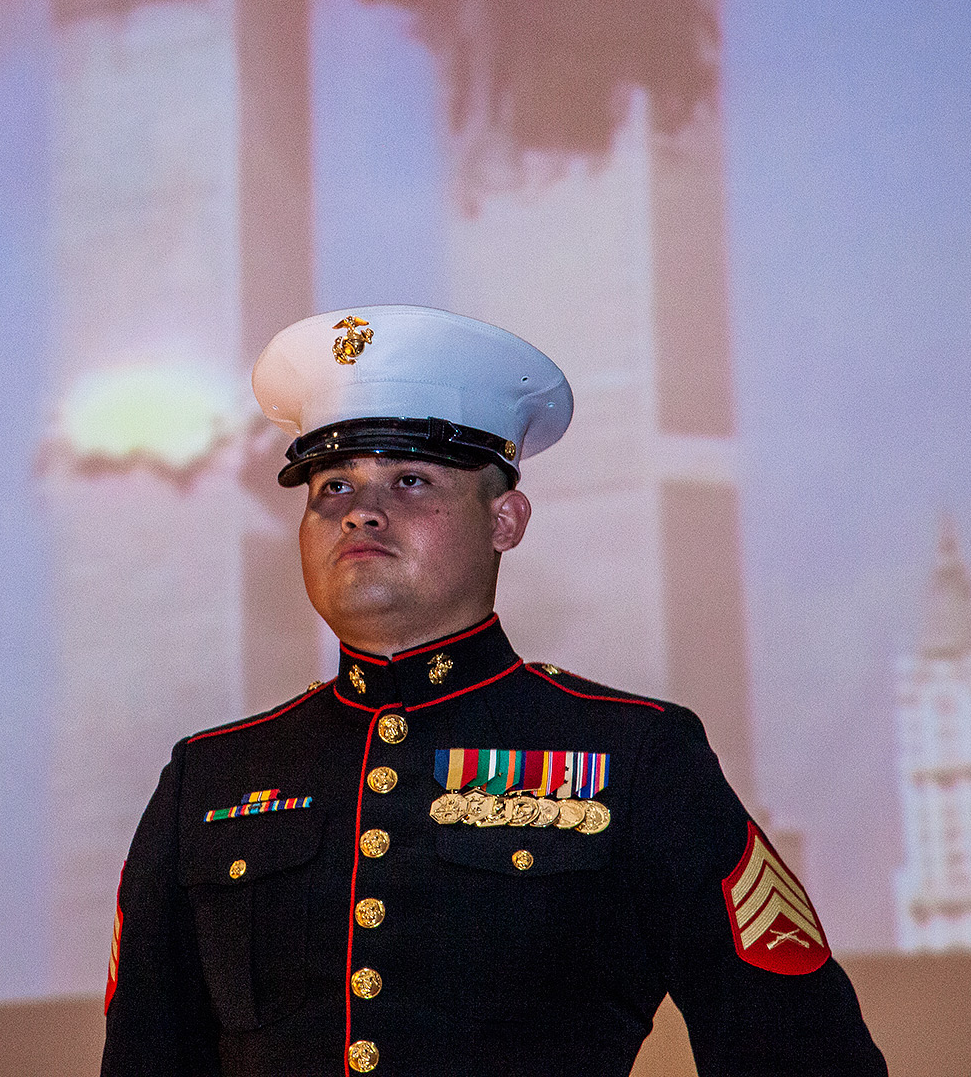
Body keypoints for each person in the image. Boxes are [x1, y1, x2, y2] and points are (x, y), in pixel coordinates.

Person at [100, 305, 887, 1077]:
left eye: (410, 480)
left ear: (505, 520)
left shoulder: (634, 756)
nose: (361, 513)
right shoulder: (209, 779)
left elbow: (800, 1049)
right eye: (332, 489)